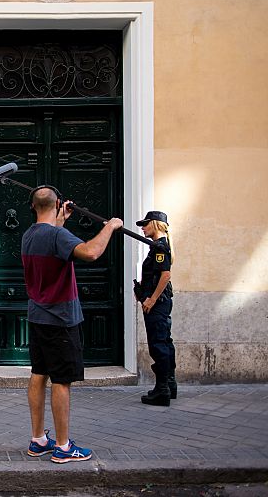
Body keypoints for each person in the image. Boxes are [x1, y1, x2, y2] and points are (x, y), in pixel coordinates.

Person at [21, 186, 122, 464]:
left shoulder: (30, 234)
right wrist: (111, 227)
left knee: (39, 374)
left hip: (38, 316)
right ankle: (64, 447)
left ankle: (38, 439)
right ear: (55, 205)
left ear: (33, 207)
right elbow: (90, 253)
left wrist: (61, 220)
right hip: (61, 320)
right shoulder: (56, 236)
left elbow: (52, 241)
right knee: (62, 381)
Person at [135, 210, 176, 407]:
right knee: (165, 341)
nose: (142, 227)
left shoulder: (160, 247)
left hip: (157, 303)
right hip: (160, 301)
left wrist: (151, 299)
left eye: (145, 223)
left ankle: (162, 391)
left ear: (156, 224)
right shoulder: (158, 246)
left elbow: (165, 275)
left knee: (158, 344)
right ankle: (169, 384)